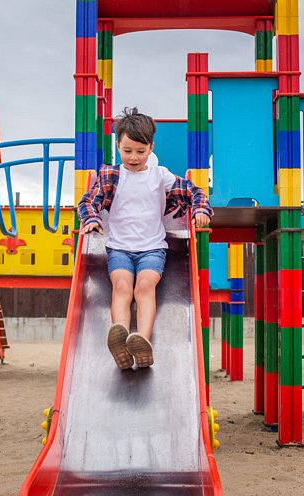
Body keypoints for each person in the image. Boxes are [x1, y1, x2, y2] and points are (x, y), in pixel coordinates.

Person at [78, 107, 213, 370]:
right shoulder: (111, 175)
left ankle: (141, 341)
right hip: (119, 248)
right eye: (127, 150)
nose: (133, 157)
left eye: (140, 151)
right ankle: (119, 338)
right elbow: (88, 202)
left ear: (151, 147)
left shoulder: (160, 175)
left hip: (152, 249)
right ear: (118, 146)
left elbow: (194, 192)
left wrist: (200, 210)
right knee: (121, 286)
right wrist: (91, 219)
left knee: (144, 287)